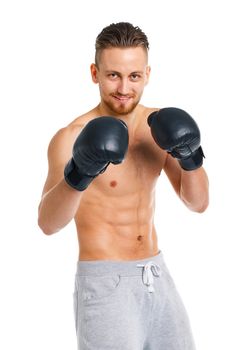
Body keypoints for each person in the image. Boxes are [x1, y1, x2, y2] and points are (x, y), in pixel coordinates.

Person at [38, 22, 209, 350]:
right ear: (95, 73)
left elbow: (198, 203)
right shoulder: (72, 137)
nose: (123, 88)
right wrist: (80, 173)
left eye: (133, 76)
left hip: (157, 276)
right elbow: (47, 223)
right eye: (113, 75)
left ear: (146, 74)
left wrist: (191, 157)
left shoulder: (159, 128)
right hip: (105, 284)